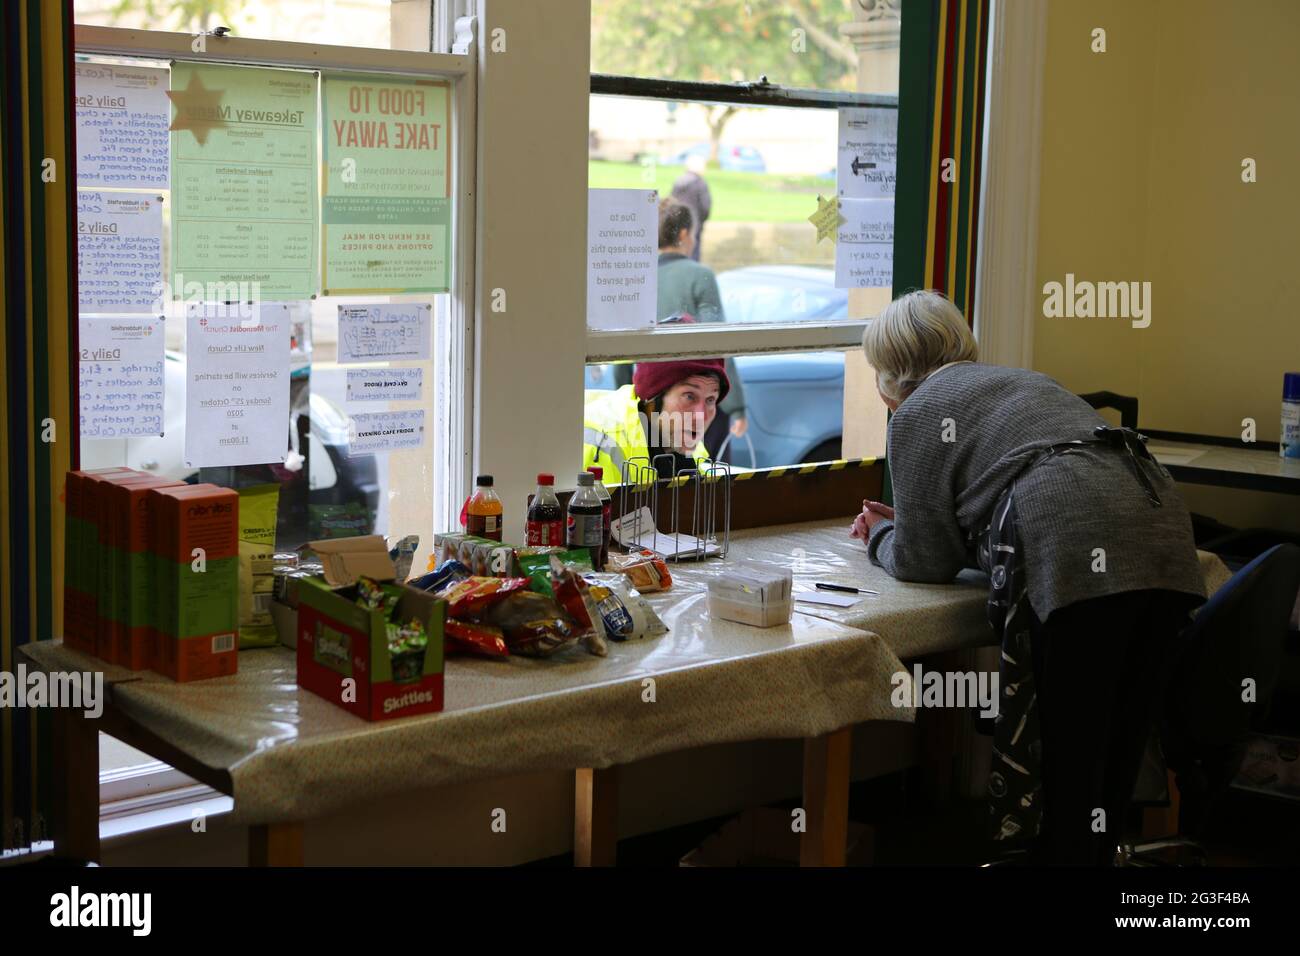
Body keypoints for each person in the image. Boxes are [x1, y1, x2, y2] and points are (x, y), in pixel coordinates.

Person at [851, 289, 1206, 866]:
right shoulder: (1024, 382)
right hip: (1160, 528)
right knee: (1116, 747)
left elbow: (923, 563)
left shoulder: (916, 412)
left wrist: (880, 536)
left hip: (1074, 542)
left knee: (1069, 755)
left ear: (889, 375)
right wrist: (918, 525)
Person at [654, 197, 747, 461]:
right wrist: (736, 407)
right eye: (693, 234)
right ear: (684, 235)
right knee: (705, 481)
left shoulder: (642, 277)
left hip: (653, 404)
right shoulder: (699, 276)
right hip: (697, 400)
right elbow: (718, 345)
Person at [583, 358, 727, 481]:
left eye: (710, 399)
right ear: (652, 401)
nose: (701, 416)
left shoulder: (686, 443)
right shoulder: (599, 445)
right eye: (689, 396)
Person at [671, 152, 711, 262]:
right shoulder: (700, 183)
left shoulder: (679, 181)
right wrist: (701, 221)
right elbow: (705, 206)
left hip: (678, 223)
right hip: (694, 223)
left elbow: (672, 202)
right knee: (693, 251)